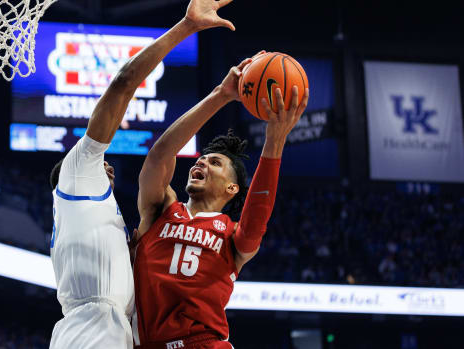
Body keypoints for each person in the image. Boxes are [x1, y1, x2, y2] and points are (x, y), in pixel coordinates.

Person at [47, 1, 237, 348]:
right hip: (92, 332)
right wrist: (186, 27)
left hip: (113, 332)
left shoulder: (105, 217)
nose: (109, 167)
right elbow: (123, 82)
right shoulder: (79, 169)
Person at [133, 57, 310, 348]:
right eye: (201, 160)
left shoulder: (231, 236)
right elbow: (159, 155)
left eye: (214, 162)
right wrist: (221, 95)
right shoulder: (161, 210)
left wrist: (274, 141)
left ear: (232, 188)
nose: (201, 162)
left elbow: (256, 220)